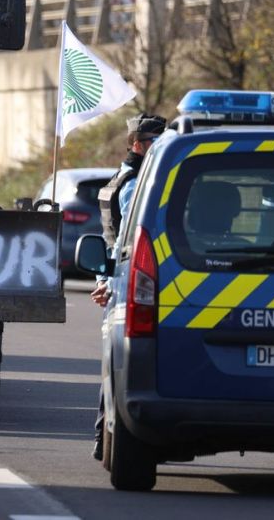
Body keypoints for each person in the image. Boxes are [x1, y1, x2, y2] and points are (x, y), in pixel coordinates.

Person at [91, 112, 166, 462]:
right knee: (122, 365)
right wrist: (109, 281)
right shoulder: (136, 184)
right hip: (125, 281)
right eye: (154, 142)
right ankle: (106, 435)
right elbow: (123, 239)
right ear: (137, 144)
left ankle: (104, 436)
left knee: (115, 362)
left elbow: (109, 240)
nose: (160, 147)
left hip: (116, 278)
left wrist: (103, 278)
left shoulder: (122, 177)